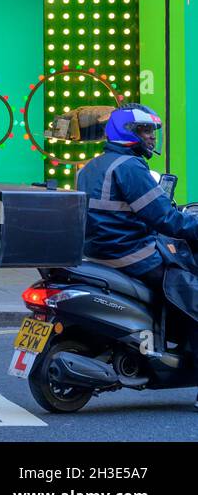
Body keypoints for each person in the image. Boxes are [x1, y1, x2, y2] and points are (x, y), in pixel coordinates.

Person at [77, 103, 198, 409]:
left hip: (99, 251)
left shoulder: (93, 165)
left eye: (153, 131)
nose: (151, 137)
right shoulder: (130, 167)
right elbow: (167, 219)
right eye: (144, 130)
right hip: (130, 253)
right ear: (125, 132)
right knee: (191, 295)